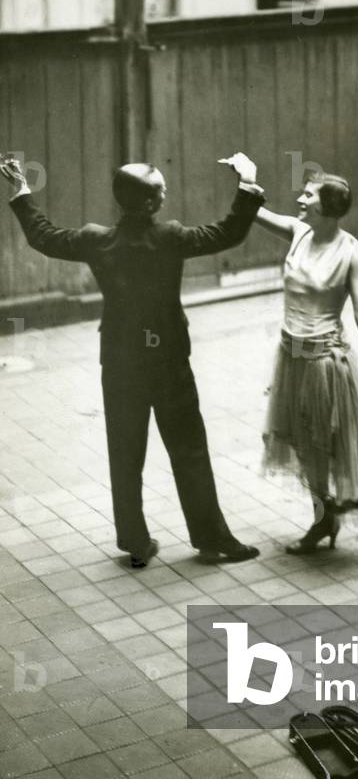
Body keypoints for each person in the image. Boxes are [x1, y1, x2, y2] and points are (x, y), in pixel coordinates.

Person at [2, 153, 264, 568]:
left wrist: (21, 193)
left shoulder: (95, 239)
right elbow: (228, 233)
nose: (166, 192)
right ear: (150, 203)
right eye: (161, 188)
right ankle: (212, 538)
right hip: (170, 361)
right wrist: (247, 183)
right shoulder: (171, 237)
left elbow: (44, 237)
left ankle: (135, 542)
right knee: (190, 450)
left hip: (121, 361)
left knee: (125, 454)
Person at [249, 168, 358, 565]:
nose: (301, 200)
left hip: (327, 363)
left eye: (309, 196)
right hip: (292, 359)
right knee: (305, 446)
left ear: (329, 209)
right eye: (303, 194)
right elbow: (252, 212)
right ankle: (324, 522)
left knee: (352, 448)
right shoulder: (297, 232)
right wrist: (247, 181)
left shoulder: (350, 251)